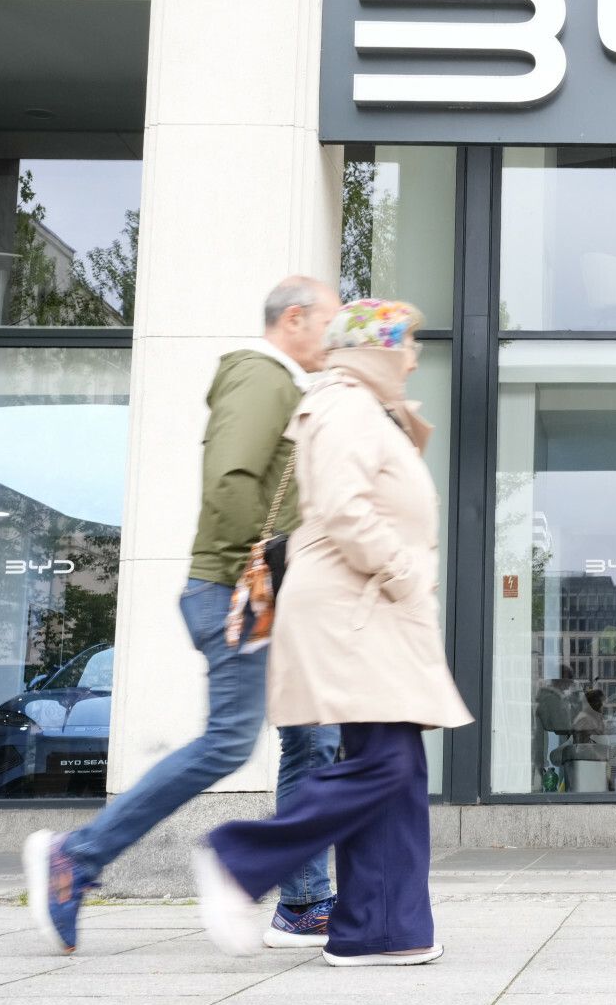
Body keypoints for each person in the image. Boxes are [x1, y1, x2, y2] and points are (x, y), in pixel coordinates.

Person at [24, 276, 344, 954]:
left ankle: (305, 903)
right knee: (229, 741)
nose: (336, 338)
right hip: (240, 590)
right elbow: (231, 479)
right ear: (294, 318)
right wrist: (253, 576)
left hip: (267, 592)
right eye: (330, 322)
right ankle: (76, 856)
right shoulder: (260, 376)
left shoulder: (285, 385)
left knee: (313, 738)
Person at [193, 298, 471, 967]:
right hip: (356, 609)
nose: (414, 360)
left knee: (396, 766)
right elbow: (346, 509)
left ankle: (384, 928)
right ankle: (238, 860)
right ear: (377, 350)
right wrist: (403, 571)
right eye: (407, 346)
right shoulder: (345, 405)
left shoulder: (363, 407)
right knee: (385, 764)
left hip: (369, 608)